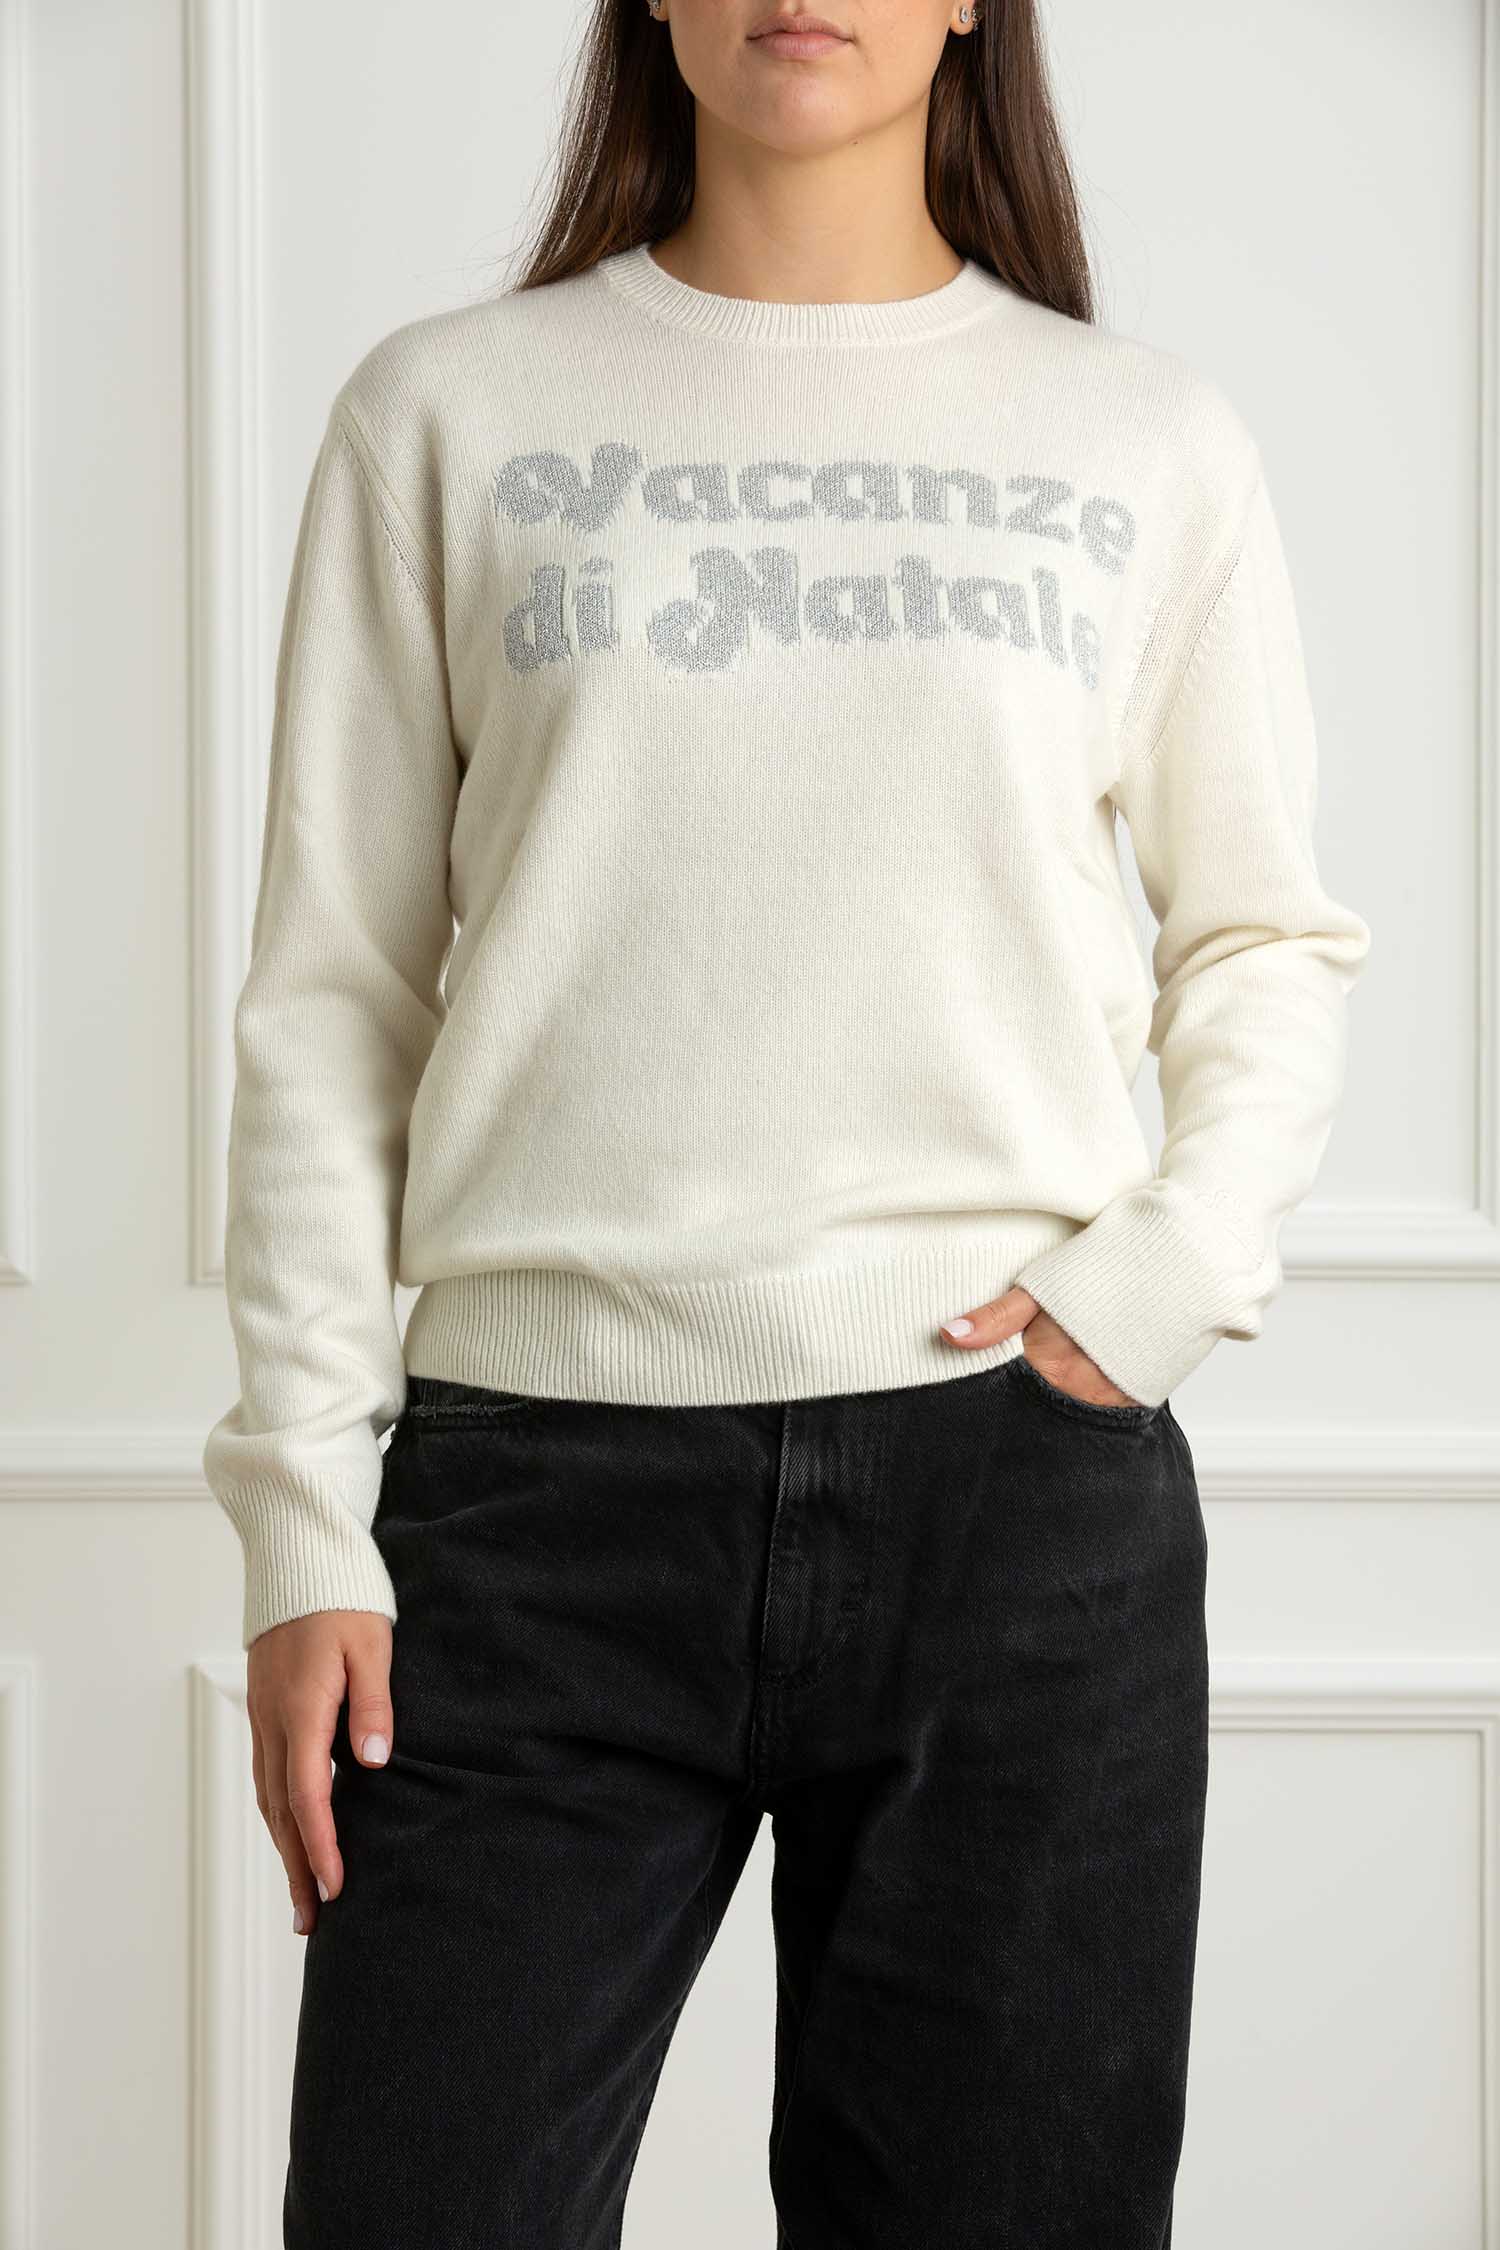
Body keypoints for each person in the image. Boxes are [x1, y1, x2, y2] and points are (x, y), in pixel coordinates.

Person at [202, 2, 1372, 2242]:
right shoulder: (446, 413)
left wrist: (1159, 1283)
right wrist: (302, 1515)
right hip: (529, 1515)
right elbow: (334, 1000)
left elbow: (1265, 938)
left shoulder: (1143, 441)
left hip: (1015, 1510)